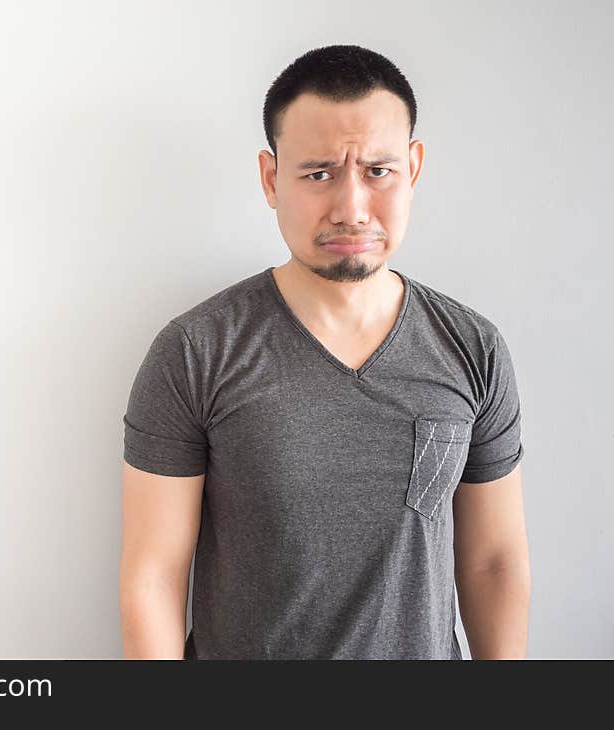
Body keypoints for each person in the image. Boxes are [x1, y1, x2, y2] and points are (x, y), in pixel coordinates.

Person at [118, 44, 530, 660]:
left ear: (412, 169)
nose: (351, 208)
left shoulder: (472, 348)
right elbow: (153, 578)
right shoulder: (196, 352)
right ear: (270, 177)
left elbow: (495, 565)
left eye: (378, 171)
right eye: (318, 174)